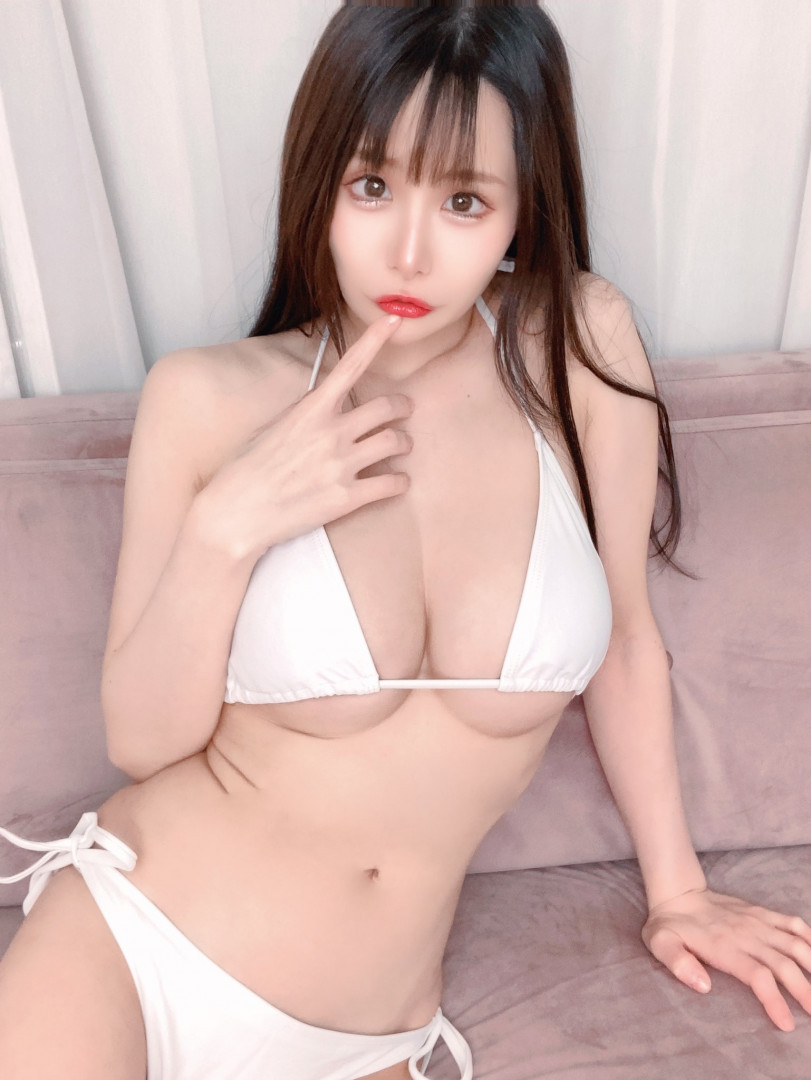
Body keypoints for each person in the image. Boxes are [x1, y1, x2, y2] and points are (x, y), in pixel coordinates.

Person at [1, 3, 810, 1078]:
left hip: (370, 1032)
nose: (410, 252)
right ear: (321, 183)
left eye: (464, 200)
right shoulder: (206, 397)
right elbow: (144, 743)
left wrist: (678, 892)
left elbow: (623, 640)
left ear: (521, 211)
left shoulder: (576, 345)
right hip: (134, 946)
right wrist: (226, 525)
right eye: (372, 186)